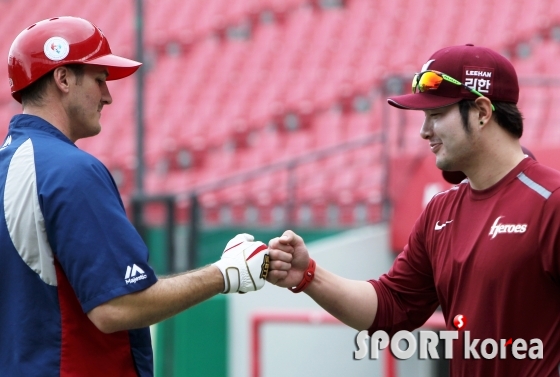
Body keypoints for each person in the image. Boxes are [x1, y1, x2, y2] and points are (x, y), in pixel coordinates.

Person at [267, 44, 560, 376]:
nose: (424, 131)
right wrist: (309, 275)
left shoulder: (551, 202)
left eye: (436, 116)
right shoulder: (440, 211)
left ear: (481, 112)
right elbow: (390, 308)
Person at [0, 17, 269, 377]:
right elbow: (116, 307)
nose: (108, 96)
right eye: (99, 80)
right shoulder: (70, 171)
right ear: (62, 78)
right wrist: (226, 273)